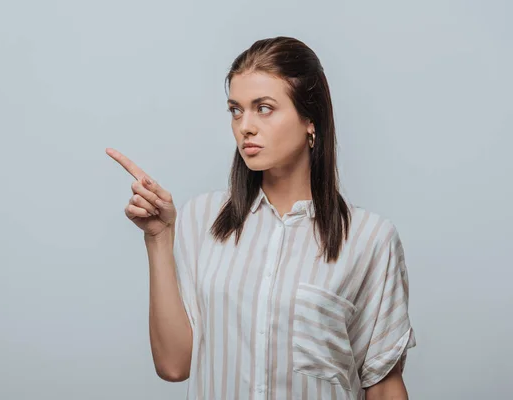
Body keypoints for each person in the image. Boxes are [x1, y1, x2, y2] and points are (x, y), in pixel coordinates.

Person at [107, 36, 416, 400]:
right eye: (236, 110)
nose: (245, 126)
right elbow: (175, 365)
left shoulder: (369, 239)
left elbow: (383, 386)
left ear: (310, 120)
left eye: (264, 108)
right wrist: (159, 238)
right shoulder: (201, 219)